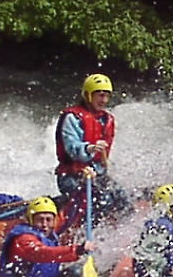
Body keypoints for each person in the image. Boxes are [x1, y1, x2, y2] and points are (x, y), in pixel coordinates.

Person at [0, 196, 98, 277]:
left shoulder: (48, 233)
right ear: (31, 220)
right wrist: (77, 250)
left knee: (77, 272)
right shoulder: (23, 239)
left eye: (48, 220)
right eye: (40, 220)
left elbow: (69, 214)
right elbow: (43, 253)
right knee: (75, 275)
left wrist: (81, 191)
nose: (45, 224)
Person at [55, 73, 131, 224]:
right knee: (100, 200)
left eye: (106, 96)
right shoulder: (72, 118)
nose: (103, 100)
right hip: (72, 175)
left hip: (97, 174)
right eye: (99, 95)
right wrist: (89, 148)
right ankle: (81, 231)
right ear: (88, 95)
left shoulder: (106, 119)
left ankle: (119, 231)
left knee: (122, 198)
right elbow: (71, 147)